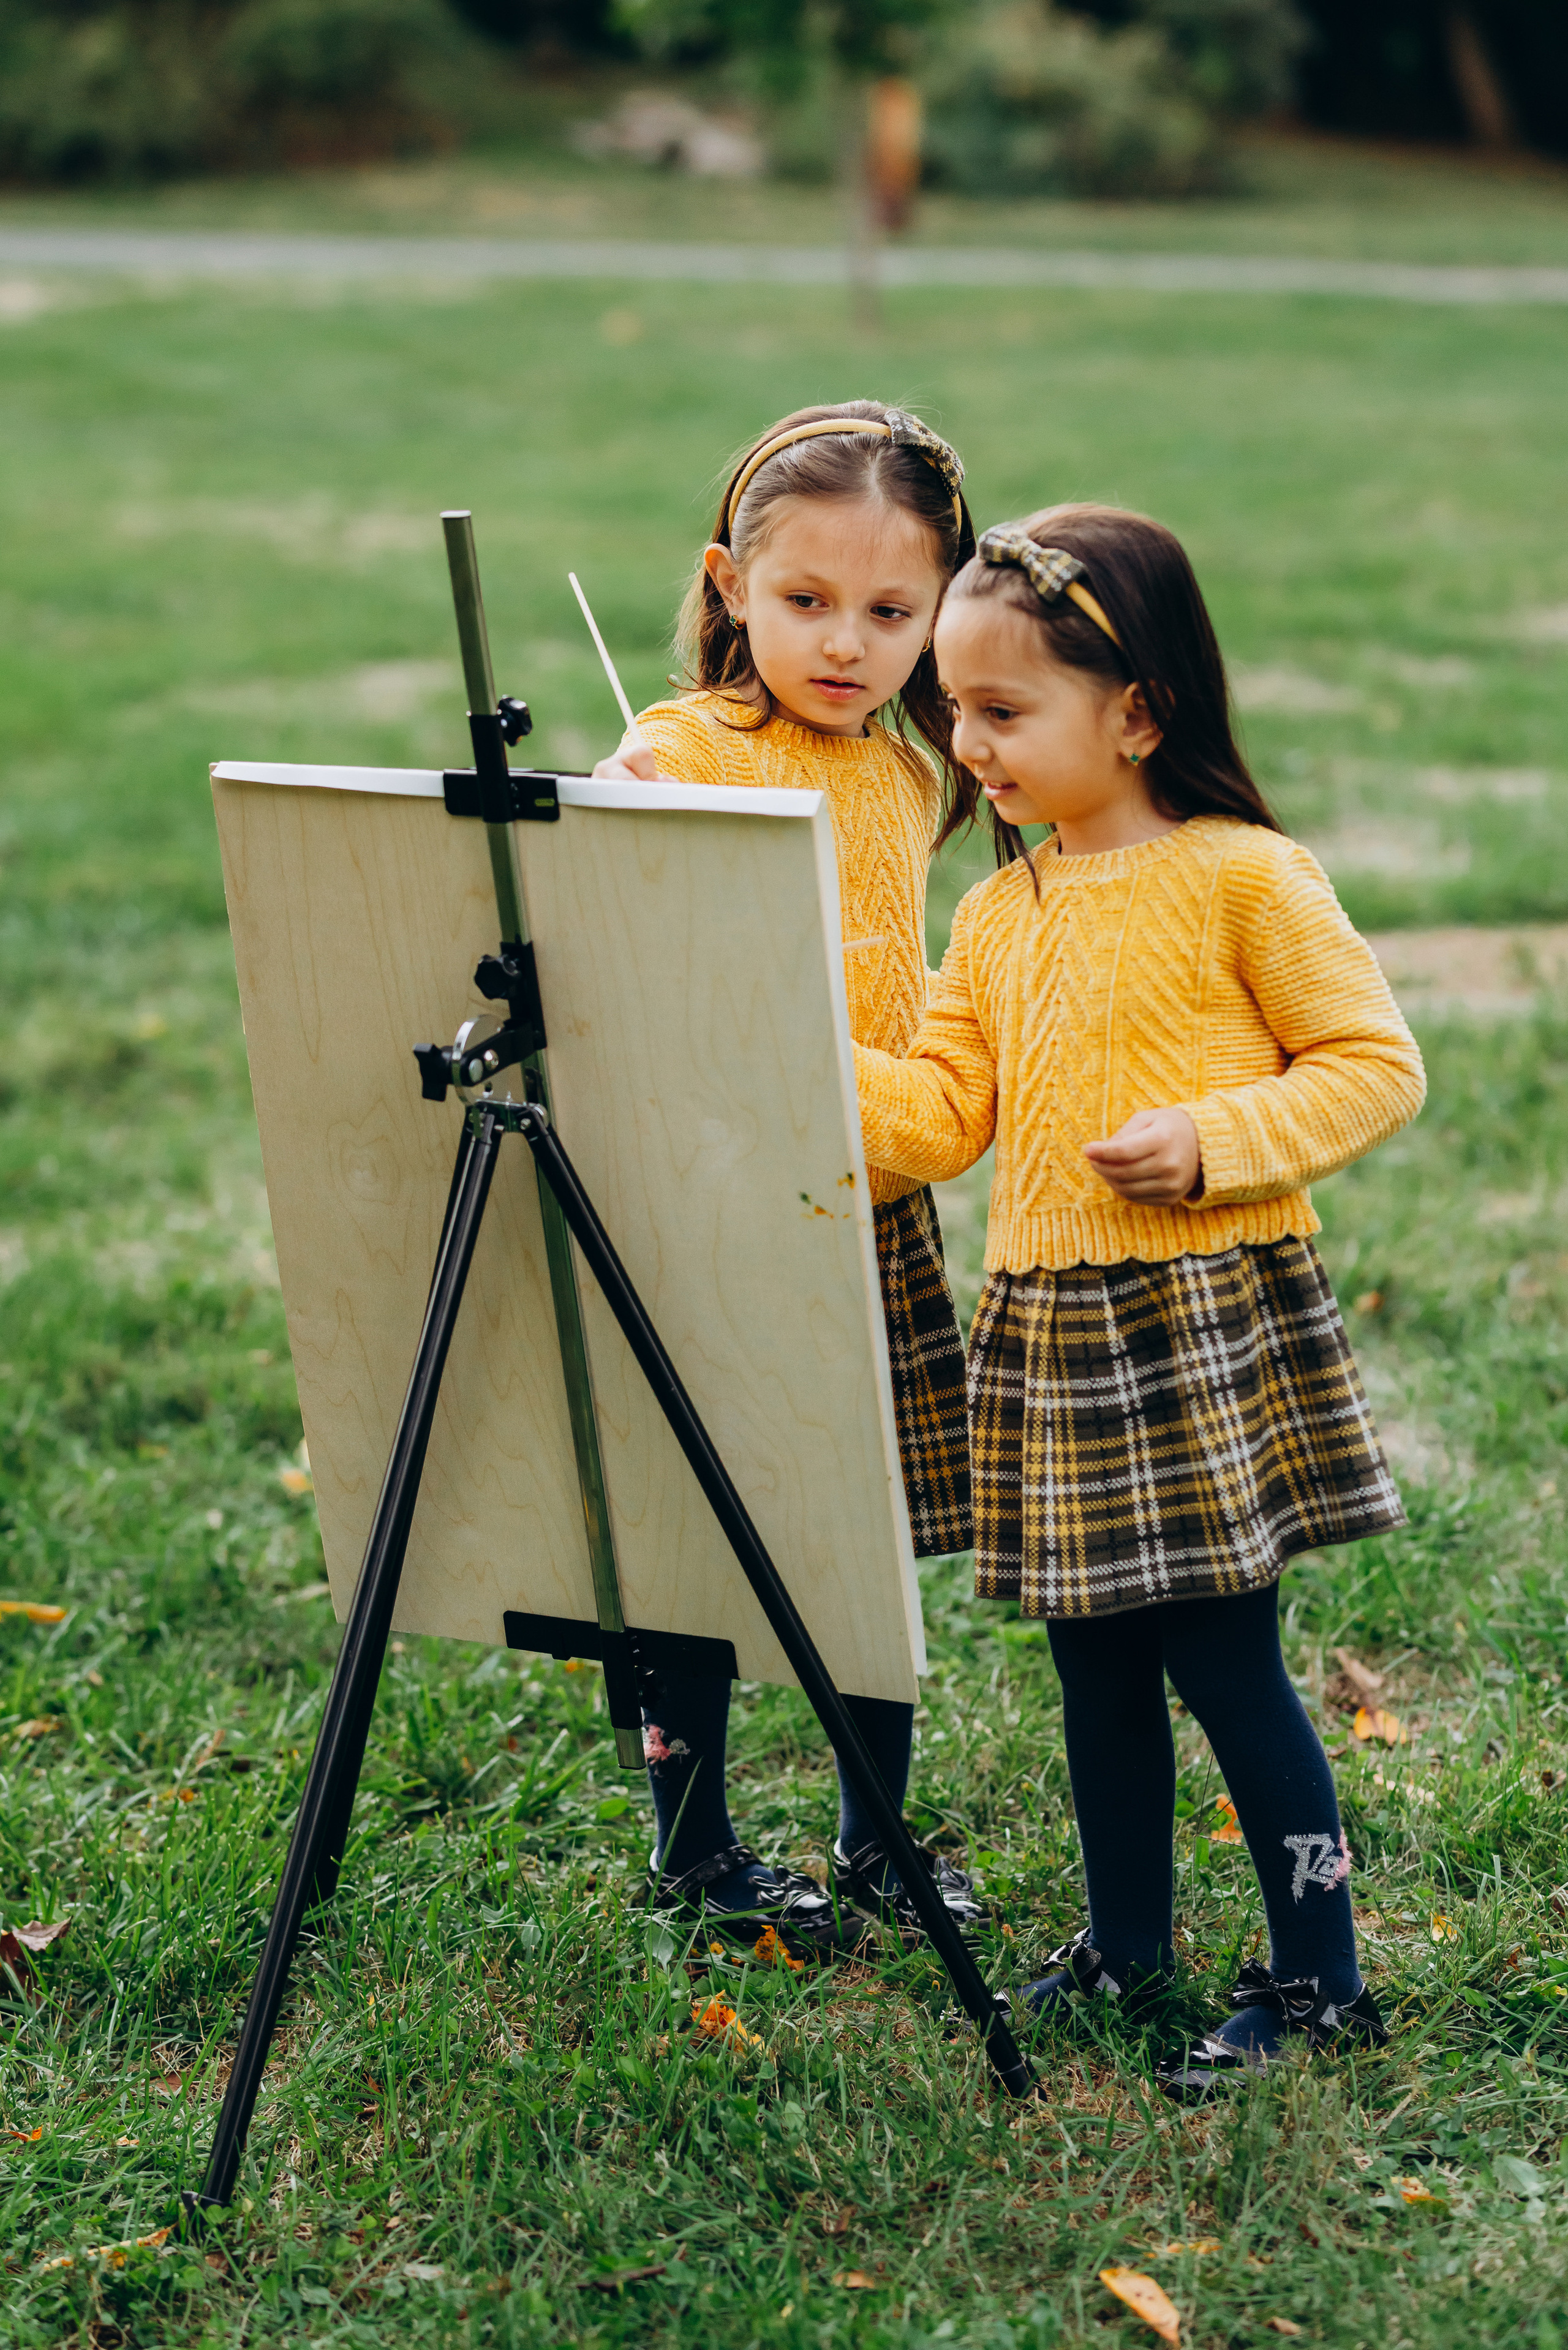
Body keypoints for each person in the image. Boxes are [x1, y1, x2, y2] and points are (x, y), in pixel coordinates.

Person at [848, 503, 1426, 2094]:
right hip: (1045, 1326)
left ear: (1138, 711)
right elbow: (945, 1115)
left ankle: (1322, 1972)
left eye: (1002, 709)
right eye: (951, 709)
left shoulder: (1245, 876)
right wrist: (798, 1060)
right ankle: (1128, 1943)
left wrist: (1219, 1136)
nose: (966, 743)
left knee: (1227, 1663)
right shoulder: (997, 913)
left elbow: (1376, 1065)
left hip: (1197, 1319)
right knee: (1090, 1664)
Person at [590, 399, 987, 1961]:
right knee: (699, 1526)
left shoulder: (908, 774)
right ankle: (696, 1852)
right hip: (708, 1202)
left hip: (865, 1199)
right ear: (728, 584)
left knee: (856, 1528)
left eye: (891, 612)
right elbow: (600, 873)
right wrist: (614, 799)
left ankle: (871, 1835)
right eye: (805, 601)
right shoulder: (679, 749)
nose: (845, 643)